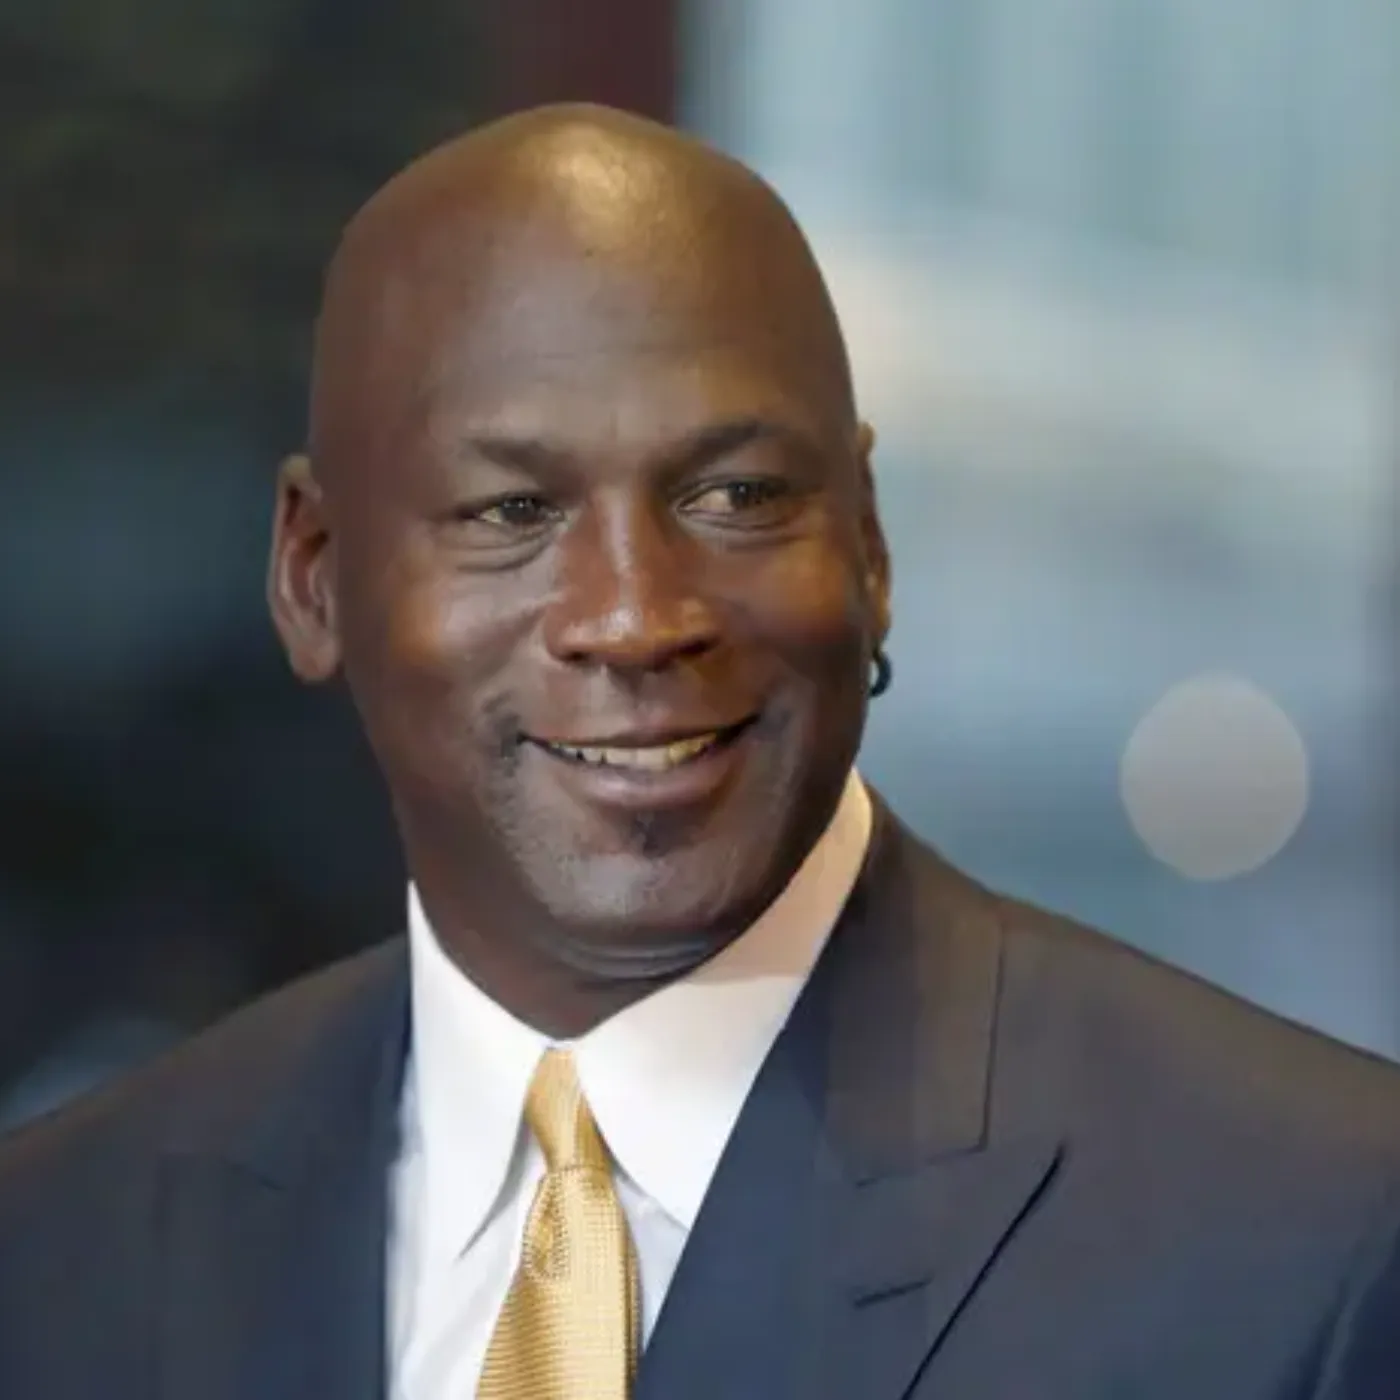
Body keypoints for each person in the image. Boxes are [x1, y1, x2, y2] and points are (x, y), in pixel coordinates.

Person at [1, 104, 1398, 1400]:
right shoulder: (59, 1250)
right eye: (512, 513)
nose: (633, 617)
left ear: (869, 547)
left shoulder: (1316, 1238)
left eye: (736, 495)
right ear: (313, 576)